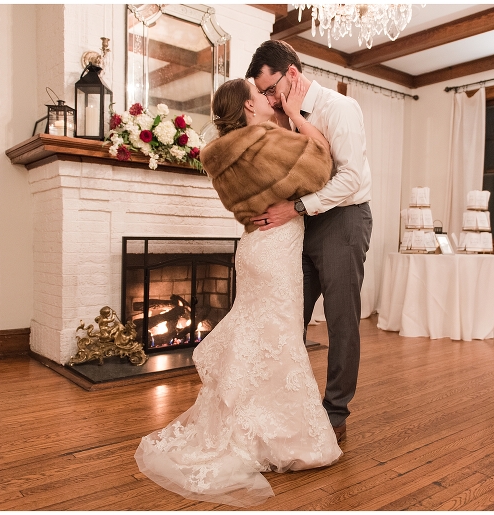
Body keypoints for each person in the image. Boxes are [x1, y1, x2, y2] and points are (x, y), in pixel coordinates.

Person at [134, 77, 341, 508]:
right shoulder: (265, 141)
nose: (267, 99)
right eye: (259, 94)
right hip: (276, 251)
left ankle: (250, 424)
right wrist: (296, 115)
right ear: (248, 106)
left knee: (259, 334)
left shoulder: (223, 154)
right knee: (277, 337)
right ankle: (275, 436)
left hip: (251, 248)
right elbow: (322, 163)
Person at [246, 40, 373, 444]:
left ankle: (335, 412)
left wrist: (296, 208)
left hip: (344, 220)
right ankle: (289, 403)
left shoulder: (340, 108)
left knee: (340, 319)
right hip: (302, 224)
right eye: (262, 93)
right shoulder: (284, 113)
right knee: (289, 313)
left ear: (292, 74)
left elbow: (350, 178)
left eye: (270, 89)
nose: (269, 98)